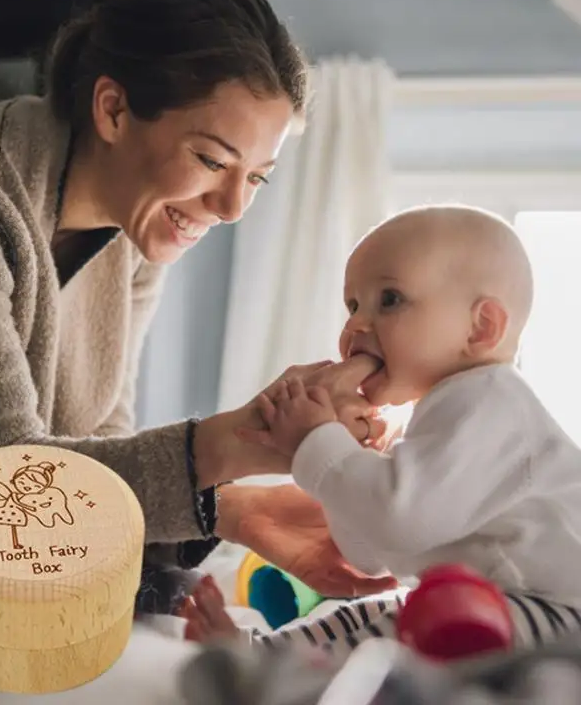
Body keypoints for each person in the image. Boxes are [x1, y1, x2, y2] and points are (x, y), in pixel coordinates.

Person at [0, 0, 394, 612]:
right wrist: (251, 438)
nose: (232, 206)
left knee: (166, 599)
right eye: (212, 160)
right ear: (113, 109)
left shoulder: (135, 238)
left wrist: (231, 510)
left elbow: (90, 450)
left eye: (257, 177)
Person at [182, 204, 581, 657]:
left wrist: (318, 444)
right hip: (498, 602)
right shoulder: (438, 416)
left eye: (389, 299)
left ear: (481, 328)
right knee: (373, 612)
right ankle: (264, 657)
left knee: (401, 631)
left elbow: (402, 519)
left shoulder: (491, 403)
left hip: (558, 614)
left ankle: (281, 678)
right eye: (352, 306)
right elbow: (370, 552)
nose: (354, 325)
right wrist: (357, 464)